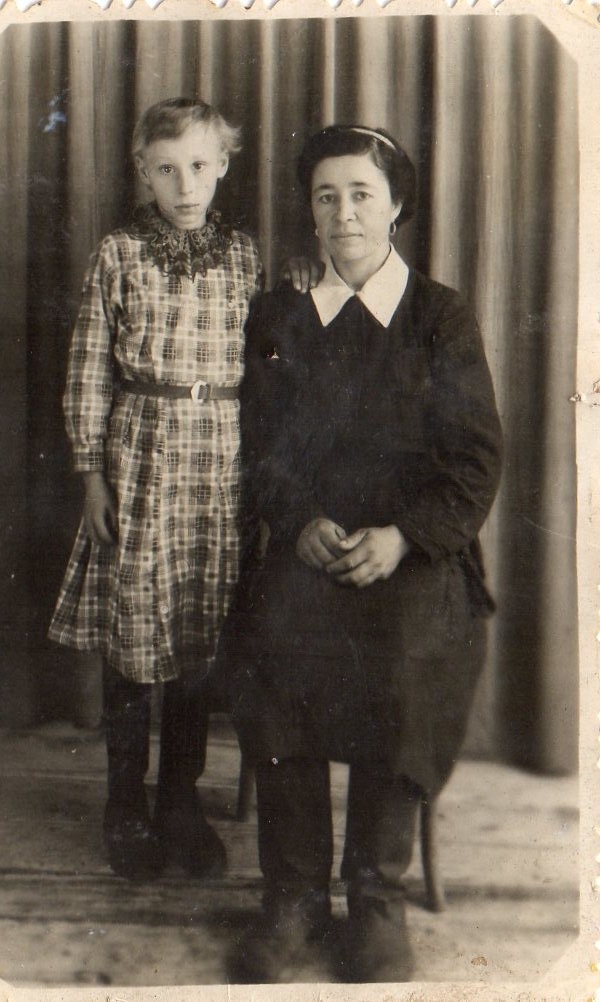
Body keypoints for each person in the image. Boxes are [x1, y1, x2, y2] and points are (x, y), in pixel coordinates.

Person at [223, 124, 502, 982]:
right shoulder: (279, 315)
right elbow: (261, 447)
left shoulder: (440, 316)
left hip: (413, 557)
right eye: (326, 196)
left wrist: (403, 536)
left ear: (396, 206)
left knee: (407, 652)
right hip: (311, 548)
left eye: (361, 194)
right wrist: (299, 520)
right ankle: (294, 896)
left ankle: (377, 896)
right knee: (276, 636)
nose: (343, 213)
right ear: (309, 211)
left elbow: (474, 460)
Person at [48, 98, 265, 882]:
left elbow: (269, 358)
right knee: (138, 637)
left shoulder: (243, 257)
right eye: (167, 170)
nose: (185, 185)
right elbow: (88, 368)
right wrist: (91, 475)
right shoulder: (119, 254)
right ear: (143, 171)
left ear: (224, 165)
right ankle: (124, 805)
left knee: (197, 639)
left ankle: (179, 800)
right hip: (141, 456)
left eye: (200, 166)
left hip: (219, 463)